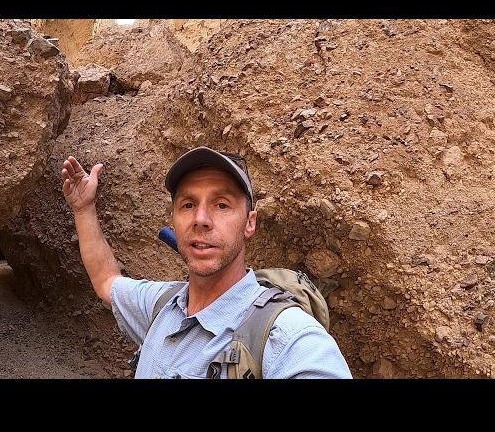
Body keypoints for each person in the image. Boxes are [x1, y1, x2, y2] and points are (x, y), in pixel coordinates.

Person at [61, 146, 352, 378]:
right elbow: (106, 281)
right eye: (188, 205)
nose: (200, 219)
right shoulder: (163, 306)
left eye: (221, 205)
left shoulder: (287, 338)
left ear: (249, 224)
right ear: (174, 220)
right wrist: (84, 209)